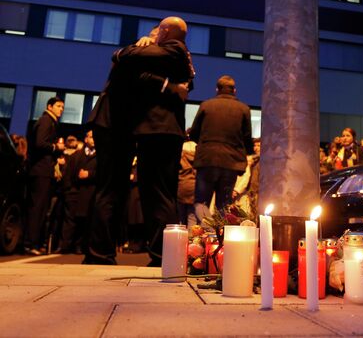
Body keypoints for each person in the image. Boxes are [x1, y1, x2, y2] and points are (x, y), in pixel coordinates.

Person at [85, 16, 194, 265]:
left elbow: (127, 62)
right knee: (127, 191)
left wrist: (130, 49)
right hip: (125, 126)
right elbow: (136, 73)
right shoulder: (166, 54)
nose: (153, 37)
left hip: (149, 129)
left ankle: (158, 255)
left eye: (156, 34)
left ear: (165, 33)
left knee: (150, 192)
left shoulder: (174, 48)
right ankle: (111, 253)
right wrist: (167, 84)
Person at [189, 75, 254, 220]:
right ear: (234, 90)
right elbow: (247, 138)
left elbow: (194, 133)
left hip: (207, 160)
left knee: (201, 202)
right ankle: (220, 238)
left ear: (217, 89)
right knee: (223, 205)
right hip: (230, 163)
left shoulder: (206, 105)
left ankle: (200, 237)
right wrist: (248, 153)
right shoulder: (243, 109)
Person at [24, 97, 65, 255]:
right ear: (50, 106)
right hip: (41, 171)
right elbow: (40, 143)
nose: (61, 109)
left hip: (43, 171)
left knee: (41, 209)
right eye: (58, 106)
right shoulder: (46, 121)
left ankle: (34, 242)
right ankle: (30, 244)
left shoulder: (49, 122)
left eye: (62, 107)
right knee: (37, 208)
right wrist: (56, 147)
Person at [57, 130, 96, 254]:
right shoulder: (76, 155)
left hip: (90, 193)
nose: (93, 140)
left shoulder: (100, 157)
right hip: (75, 193)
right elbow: (67, 174)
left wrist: (89, 174)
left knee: (86, 222)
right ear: (85, 139)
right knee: (70, 221)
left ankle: (82, 246)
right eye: (90, 137)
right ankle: (65, 246)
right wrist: (68, 190)